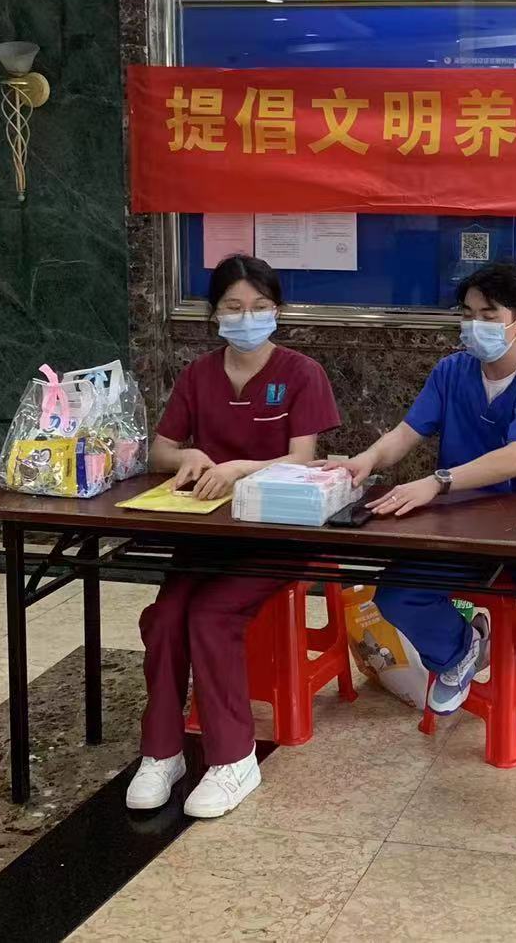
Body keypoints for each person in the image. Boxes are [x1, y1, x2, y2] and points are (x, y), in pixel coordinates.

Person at [125, 255, 340, 819]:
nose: (248, 318)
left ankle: (234, 758)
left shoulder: (301, 373)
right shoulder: (199, 375)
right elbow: (160, 450)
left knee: (210, 616)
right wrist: (189, 456)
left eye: (260, 307)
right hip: (207, 534)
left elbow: (302, 459)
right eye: (234, 307)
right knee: (166, 618)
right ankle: (163, 750)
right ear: (214, 314)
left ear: (278, 311)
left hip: (279, 534)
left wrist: (241, 468)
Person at [325, 263, 516, 721]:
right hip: (463, 522)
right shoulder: (451, 372)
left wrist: (437, 481)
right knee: (398, 593)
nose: (474, 325)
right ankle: (459, 651)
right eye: (467, 314)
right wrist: (366, 460)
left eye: (488, 315)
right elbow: (408, 431)